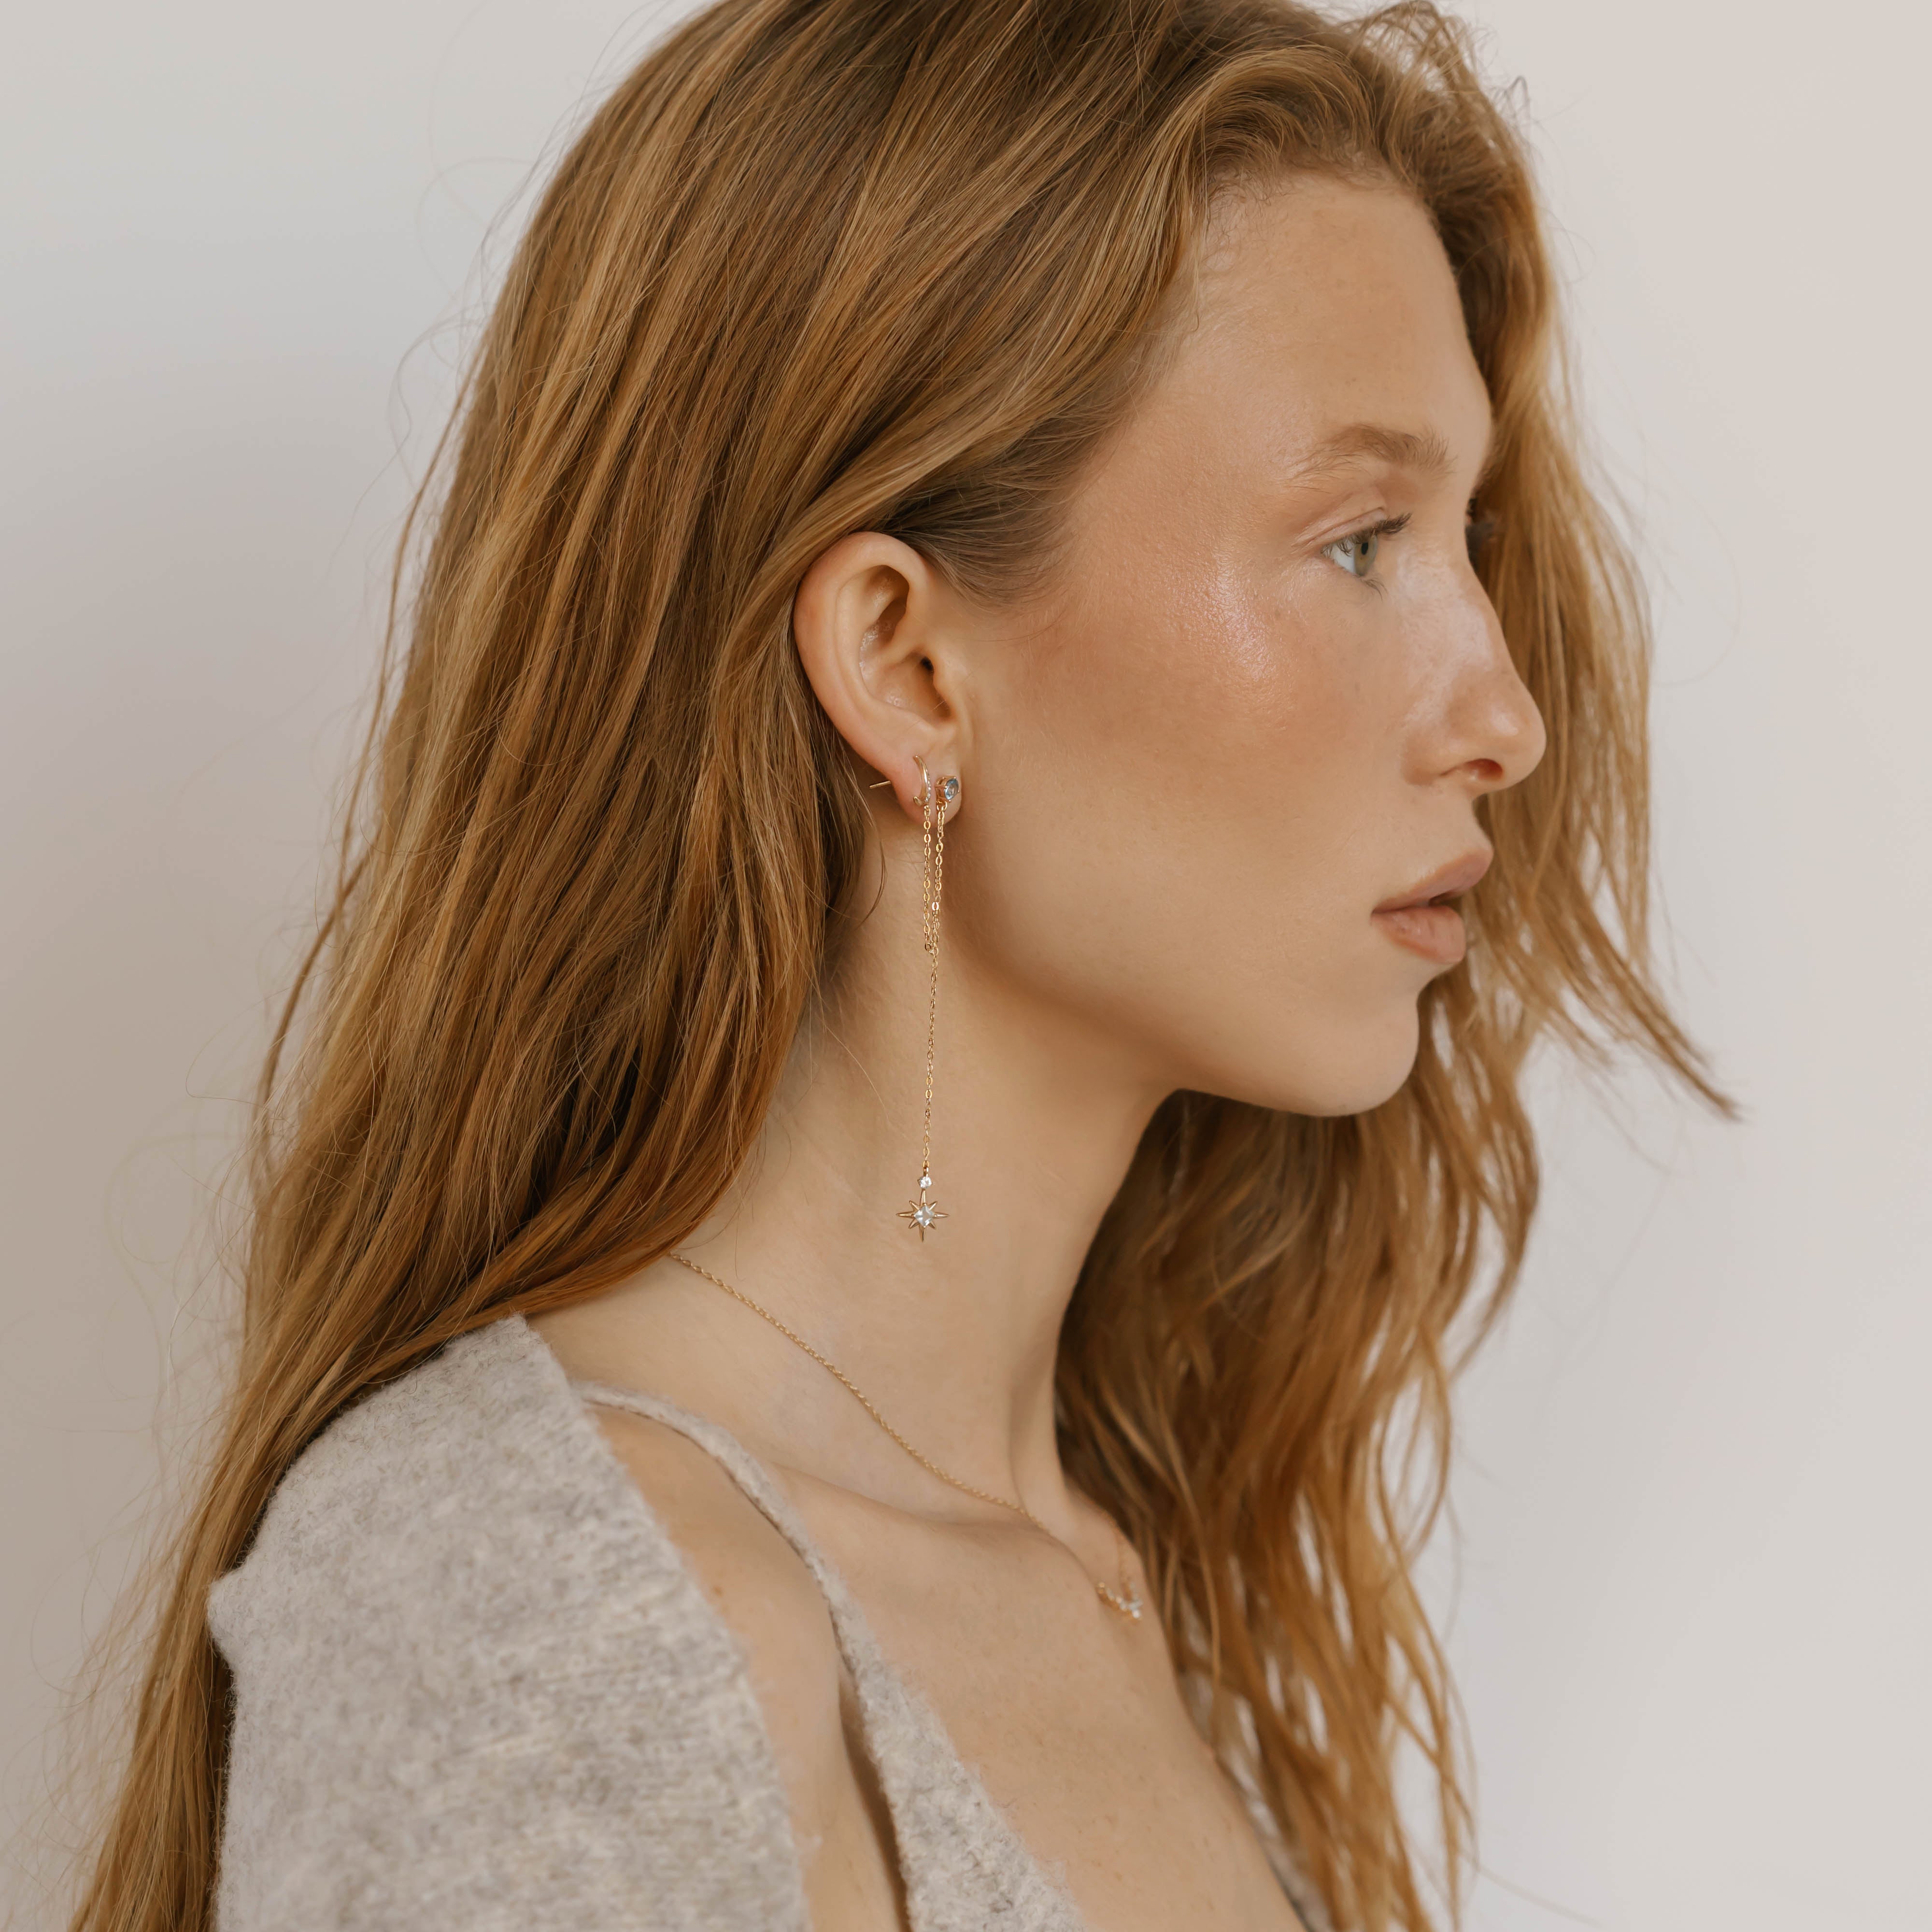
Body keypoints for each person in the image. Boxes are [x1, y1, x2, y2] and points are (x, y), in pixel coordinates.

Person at [67, 2, 1719, 1929]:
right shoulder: (539, 1610)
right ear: (906, 664)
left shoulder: (1123, 1570)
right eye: (1359, 541)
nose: (1502, 713)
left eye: (1472, 537)